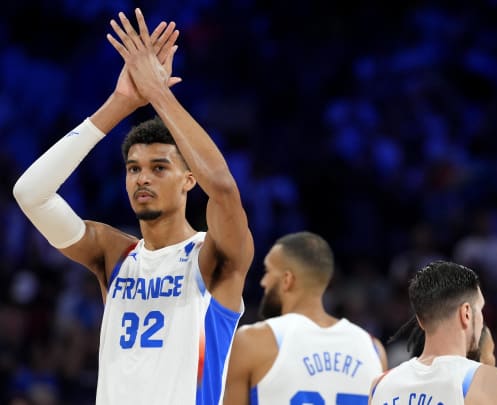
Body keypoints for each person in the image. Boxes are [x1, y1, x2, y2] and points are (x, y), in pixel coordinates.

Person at [12, 9, 253, 405]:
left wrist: (159, 94)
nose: (143, 178)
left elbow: (224, 189)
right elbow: (30, 193)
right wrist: (121, 103)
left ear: (189, 180)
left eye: (159, 168)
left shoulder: (214, 256)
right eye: (133, 169)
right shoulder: (113, 254)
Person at [223, 231, 386, 404]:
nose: (263, 282)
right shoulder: (374, 350)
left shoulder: (253, 341)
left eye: (268, 271)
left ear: (287, 279)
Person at [369, 260, 497, 405]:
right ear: (467, 313)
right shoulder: (483, 379)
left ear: (420, 321)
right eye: (480, 310)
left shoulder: (380, 384)